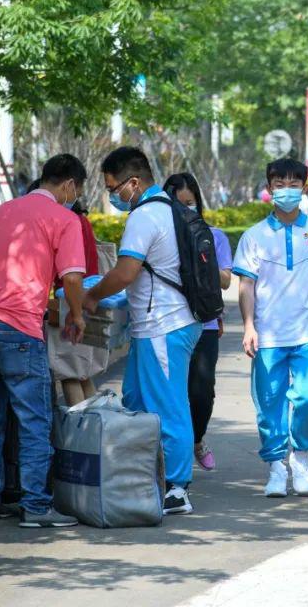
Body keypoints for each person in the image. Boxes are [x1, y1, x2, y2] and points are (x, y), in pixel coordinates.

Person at [0, 154, 87, 528]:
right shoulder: (65, 219)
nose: (73, 197)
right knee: (34, 420)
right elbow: (71, 279)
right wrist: (77, 316)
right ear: (68, 185)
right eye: (76, 190)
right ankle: (36, 506)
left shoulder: (2, 212)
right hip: (18, 327)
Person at [83, 147, 202, 516]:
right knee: (135, 400)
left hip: (164, 326)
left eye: (114, 187)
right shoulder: (170, 209)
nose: (113, 195)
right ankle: (149, 475)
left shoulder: (145, 215)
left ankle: (178, 488)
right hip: (159, 326)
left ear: (133, 182)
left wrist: (91, 296)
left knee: (168, 407)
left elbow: (125, 272)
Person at [233, 158, 308, 498]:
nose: (286, 190)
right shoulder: (254, 236)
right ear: (269, 189)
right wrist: (249, 326)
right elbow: (246, 286)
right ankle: (275, 468)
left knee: (307, 397)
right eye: (279, 184)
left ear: (305, 188)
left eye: (293, 183)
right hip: (268, 335)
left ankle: (301, 458)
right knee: (269, 404)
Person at [163, 172, 233, 472]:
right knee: (170, 391)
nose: (184, 211)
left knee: (202, 390)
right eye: (177, 206)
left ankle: (198, 439)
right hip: (167, 323)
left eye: (189, 204)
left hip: (203, 323)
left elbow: (227, 281)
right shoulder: (162, 238)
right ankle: (172, 452)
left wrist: (204, 257)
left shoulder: (214, 236)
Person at [22, 178, 104, 408]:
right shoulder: (82, 221)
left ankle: (81, 437)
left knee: (69, 373)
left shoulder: (66, 222)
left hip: (67, 303)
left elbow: (68, 275)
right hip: (88, 298)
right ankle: (97, 431)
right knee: (83, 373)